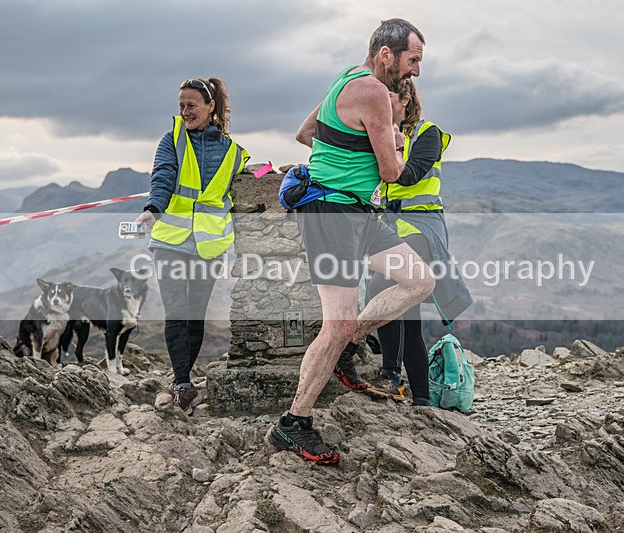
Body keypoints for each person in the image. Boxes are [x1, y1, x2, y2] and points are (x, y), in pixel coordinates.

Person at [268, 18, 435, 464]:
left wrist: (352, 145)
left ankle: (350, 342)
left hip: (358, 213)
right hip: (332, 214)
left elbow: (305, 135)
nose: (415, 71)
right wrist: (398, 142)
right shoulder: (373, 91)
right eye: (413, 60)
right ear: (387, 55)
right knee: (335, 323)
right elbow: (390, 172)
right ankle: (293, 424)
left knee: (419, 281)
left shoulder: (343, 80)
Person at [135, 77, 248, 415]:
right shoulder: (171, 140)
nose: (184, 112)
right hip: (170, 239)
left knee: (195, 315)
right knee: (176, 312)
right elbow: (164, 176)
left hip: (208, 245)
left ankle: (184, 380)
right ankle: (182, 381)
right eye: (180, 106)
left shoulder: (232, 151)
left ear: (211, 107)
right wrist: (153, 208)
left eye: (191, 106)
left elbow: (246, 179)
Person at [363, 79, 473, 406]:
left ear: (406, 98)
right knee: (409, 319)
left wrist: (394, 147)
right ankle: (422, 399)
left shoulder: (428, 133)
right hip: (390, 227)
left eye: (388, 98)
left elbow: (408, 175)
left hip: (422, 226)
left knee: (384, 285)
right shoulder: (378, 133)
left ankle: (391, 373)